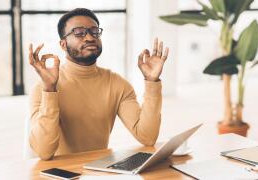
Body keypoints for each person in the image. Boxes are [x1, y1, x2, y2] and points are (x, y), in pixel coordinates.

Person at [28, 8, 169, 160]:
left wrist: (152, 81)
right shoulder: (42, 88)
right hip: (58, 173)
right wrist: (50, 89)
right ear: (63, 44)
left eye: (94, 31)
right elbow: (44, 152)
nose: (89, 37)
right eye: (79, 32)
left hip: (99, 170)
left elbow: (147, 136)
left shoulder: (117, 84)